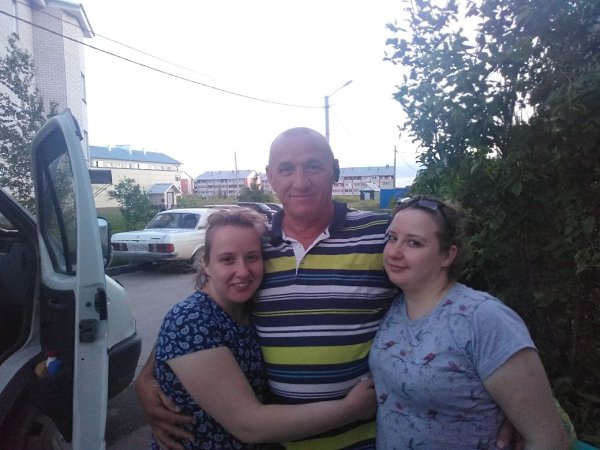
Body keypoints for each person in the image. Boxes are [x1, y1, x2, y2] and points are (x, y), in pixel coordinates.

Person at [136, 128, 521, 449]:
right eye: (286, 169)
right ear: (270, 177)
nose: (300, 181)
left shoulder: (381, 236)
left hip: (365, 439)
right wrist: (149, 376)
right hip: (281, 442)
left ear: (334, 170)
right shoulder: (255, 244)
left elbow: (448, 308)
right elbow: (203, 313)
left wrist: (508, 404)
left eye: (313, 166)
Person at [151, 208, 377, 449]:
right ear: (206, 264)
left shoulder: (248, 309)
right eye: (227, 259)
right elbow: (249, 425)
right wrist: (351, 409)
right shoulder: (191, 321)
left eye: (252, 257)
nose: (243, 271)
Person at [369, 195, 569, 448]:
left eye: (414, 243)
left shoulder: (484, 318)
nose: (395, 252)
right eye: (392, 238)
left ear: (447, 255)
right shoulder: (393, 309)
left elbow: (549, 439)